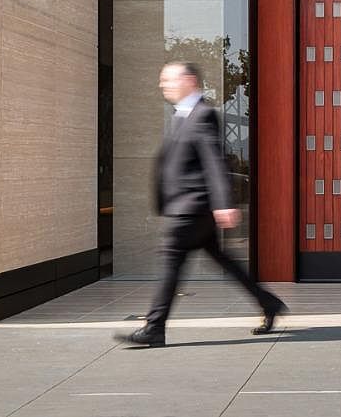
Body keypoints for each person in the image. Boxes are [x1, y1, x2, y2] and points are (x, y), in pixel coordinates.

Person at [116, 61, 286, 347]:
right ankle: (268, 303)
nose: (163, 85)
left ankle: (154, 327)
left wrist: (223, 202)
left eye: (169, 79)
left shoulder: (203, 114)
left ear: (190, 81)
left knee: (170, 260)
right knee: (224, 260)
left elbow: (213, 161)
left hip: (192, 206)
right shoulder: (181, 114)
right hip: (187, 206)